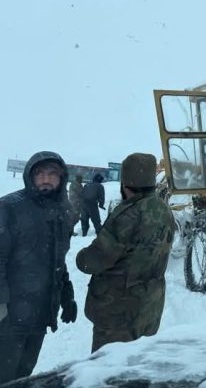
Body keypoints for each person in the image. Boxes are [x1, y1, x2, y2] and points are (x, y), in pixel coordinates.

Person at [76, 153, 176, 352]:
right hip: (149, 309)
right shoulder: (164, 210)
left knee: (106, 373)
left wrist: (81, 257)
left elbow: (95, 260)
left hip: (119, 314)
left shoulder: (129, 214)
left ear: (125, 183)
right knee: (134, 367)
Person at [0, 151, 77, 383]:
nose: (45, 179)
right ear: (30, 176)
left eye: (52, 173)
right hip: (10, 315)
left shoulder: (62, 211)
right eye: (40, 173)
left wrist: (66, 296)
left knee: (23, 375)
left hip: (40, 313)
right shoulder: (9, 207)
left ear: (61, 178)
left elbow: (58, 260)